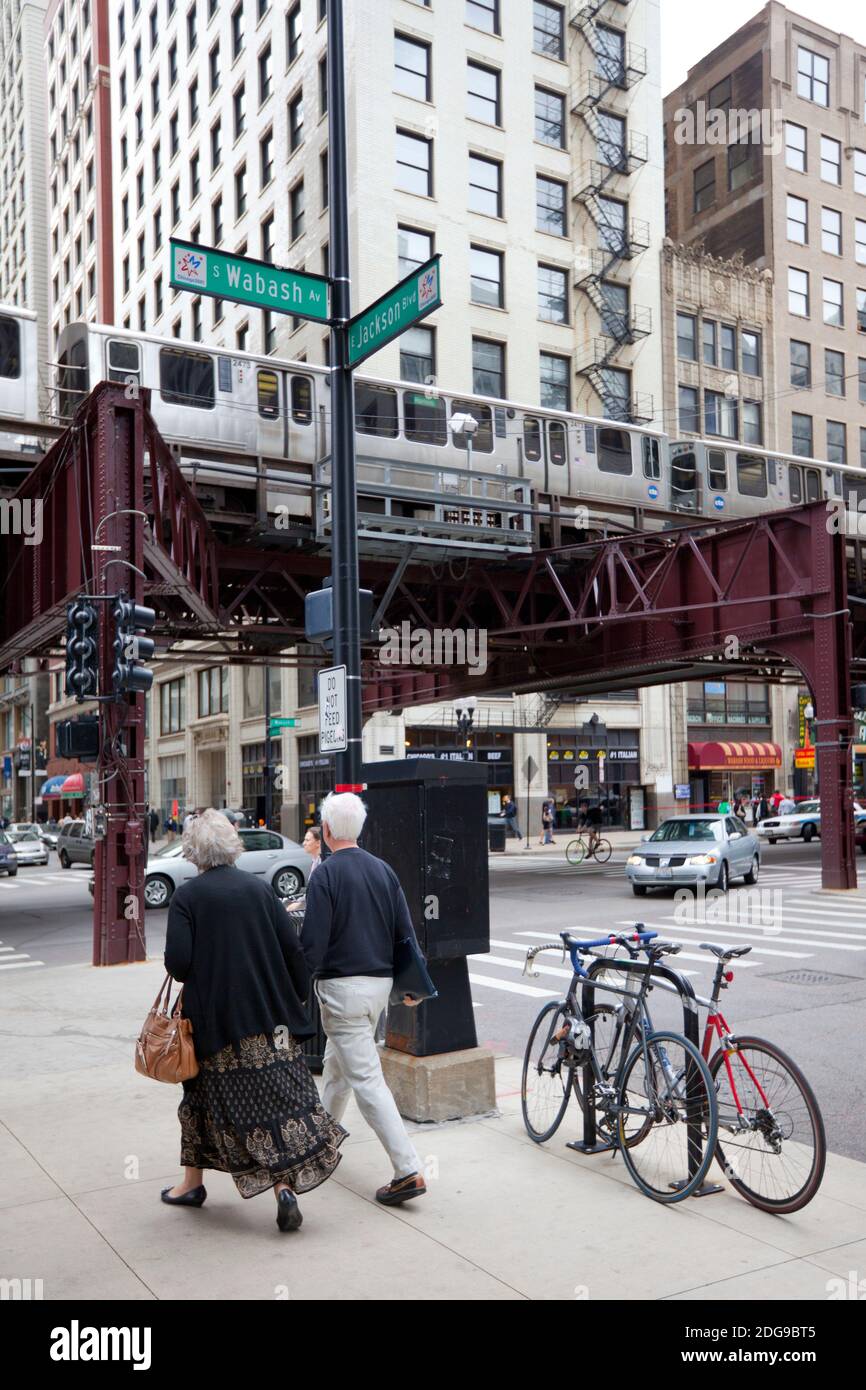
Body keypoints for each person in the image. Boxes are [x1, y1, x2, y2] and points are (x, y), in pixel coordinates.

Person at [162, 809, 345, 1232]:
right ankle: (284, 1189)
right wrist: (294, 1001)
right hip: (269, 1022)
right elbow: (292, 951)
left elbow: (178, 964)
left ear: (192, 853)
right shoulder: (259, 890)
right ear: (233, 846)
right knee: (276, 1105)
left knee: (202, 1102)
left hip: (215, 1026)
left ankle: (192, 1184)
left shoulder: (188, 898)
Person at [301, 792, 427, 1208]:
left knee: (367, 1079)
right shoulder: (383, 871)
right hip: (378, 989)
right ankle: (320, 1145)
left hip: (342, 991)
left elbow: (314, 943)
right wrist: (412, 986)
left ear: (328, 830)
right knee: (339, 1068)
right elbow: (403, 933)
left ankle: (407, 1169)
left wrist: (292, 984)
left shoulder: (325, 875)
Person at [284, 826, 322, 912]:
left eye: (307, 840)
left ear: (318, 843)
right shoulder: (315, 861)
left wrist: (299, 904)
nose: (304, 843)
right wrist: (299, 901)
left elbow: (317, 893)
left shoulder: (321, 863)